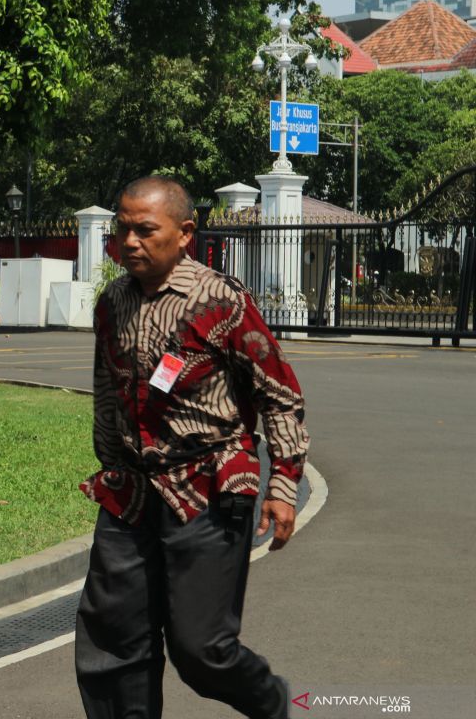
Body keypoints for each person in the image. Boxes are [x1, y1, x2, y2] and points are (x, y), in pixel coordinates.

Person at [74, 175, 309, 719]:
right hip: (132, 491)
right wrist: (111, 467)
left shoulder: (220, 300)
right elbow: (108, 388)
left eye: (145, 230)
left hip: (207, 489)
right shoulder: (111, 302)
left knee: (202, 651)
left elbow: (278, 393)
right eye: (122, 229)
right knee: (112, 641)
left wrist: (282, 484)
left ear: (184, 233)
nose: (129, 241)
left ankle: (274, 702)